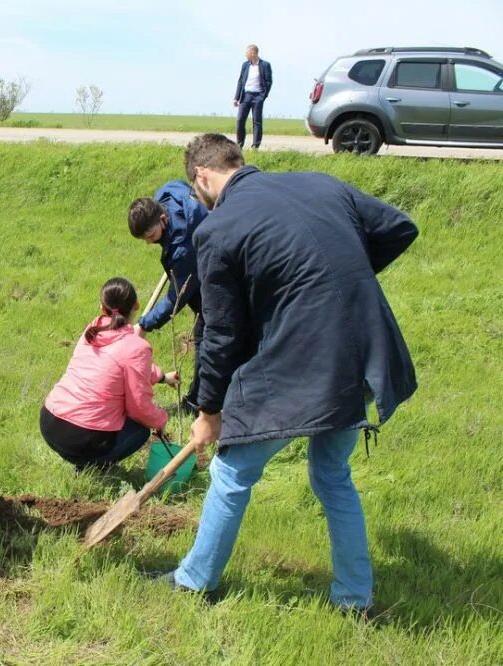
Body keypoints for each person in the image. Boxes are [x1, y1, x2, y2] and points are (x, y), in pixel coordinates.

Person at [162, 134, 418, 614]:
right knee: (333, 476)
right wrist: (332, 277)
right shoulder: (321, 183)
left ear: (201, 176)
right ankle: (353, 599)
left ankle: (194, 582)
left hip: (305, 359)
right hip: (363, 349)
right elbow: (399, 228)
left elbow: (220, 333)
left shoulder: (217, 230)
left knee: (233, 470)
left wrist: (209, 410)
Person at [41, 277, 179, 471]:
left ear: (102, 307)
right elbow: (139, 408)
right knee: (140, 429)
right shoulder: (136, 347)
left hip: (50, 423)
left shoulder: (93, 329)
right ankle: (91, 465)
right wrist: (160, 420)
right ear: (137, 305)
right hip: (81, 436)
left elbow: (124, 366)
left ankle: (83, 458)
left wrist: (163, 377)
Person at [127, 180, 209, 414]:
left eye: (151, 235)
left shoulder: (182, 247)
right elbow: (176, 183)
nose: (148, 242)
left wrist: (144, 324)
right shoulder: (167, 193)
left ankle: (197, 403)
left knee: (205, 338)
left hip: (219, 274)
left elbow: (176, 298)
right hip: (198, 265)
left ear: (162, 219)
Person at [233, 45, 272, 150]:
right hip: (245, 96)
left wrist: (263, 96)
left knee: (257, 121)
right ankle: (239, 144)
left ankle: (255, 146)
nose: (245, 55)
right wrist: (236, 97)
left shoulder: (265, 65)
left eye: (247, 53)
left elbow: (269, 82)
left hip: (257, 96)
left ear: (253, 53)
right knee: (240, 120)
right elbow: (240, 81)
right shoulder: (245, 65)